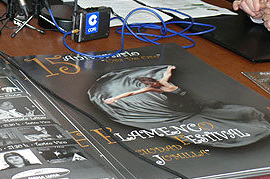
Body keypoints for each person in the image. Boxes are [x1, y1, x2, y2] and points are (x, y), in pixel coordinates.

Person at [88, 64, 270, 148]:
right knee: (238, 115)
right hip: (183, 105)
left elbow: (160, 80)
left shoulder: (161, 87)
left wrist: (170, 70)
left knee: (236, 114)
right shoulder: (156, 89)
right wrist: (115, 99)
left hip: (186, 104)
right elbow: (134, 93)